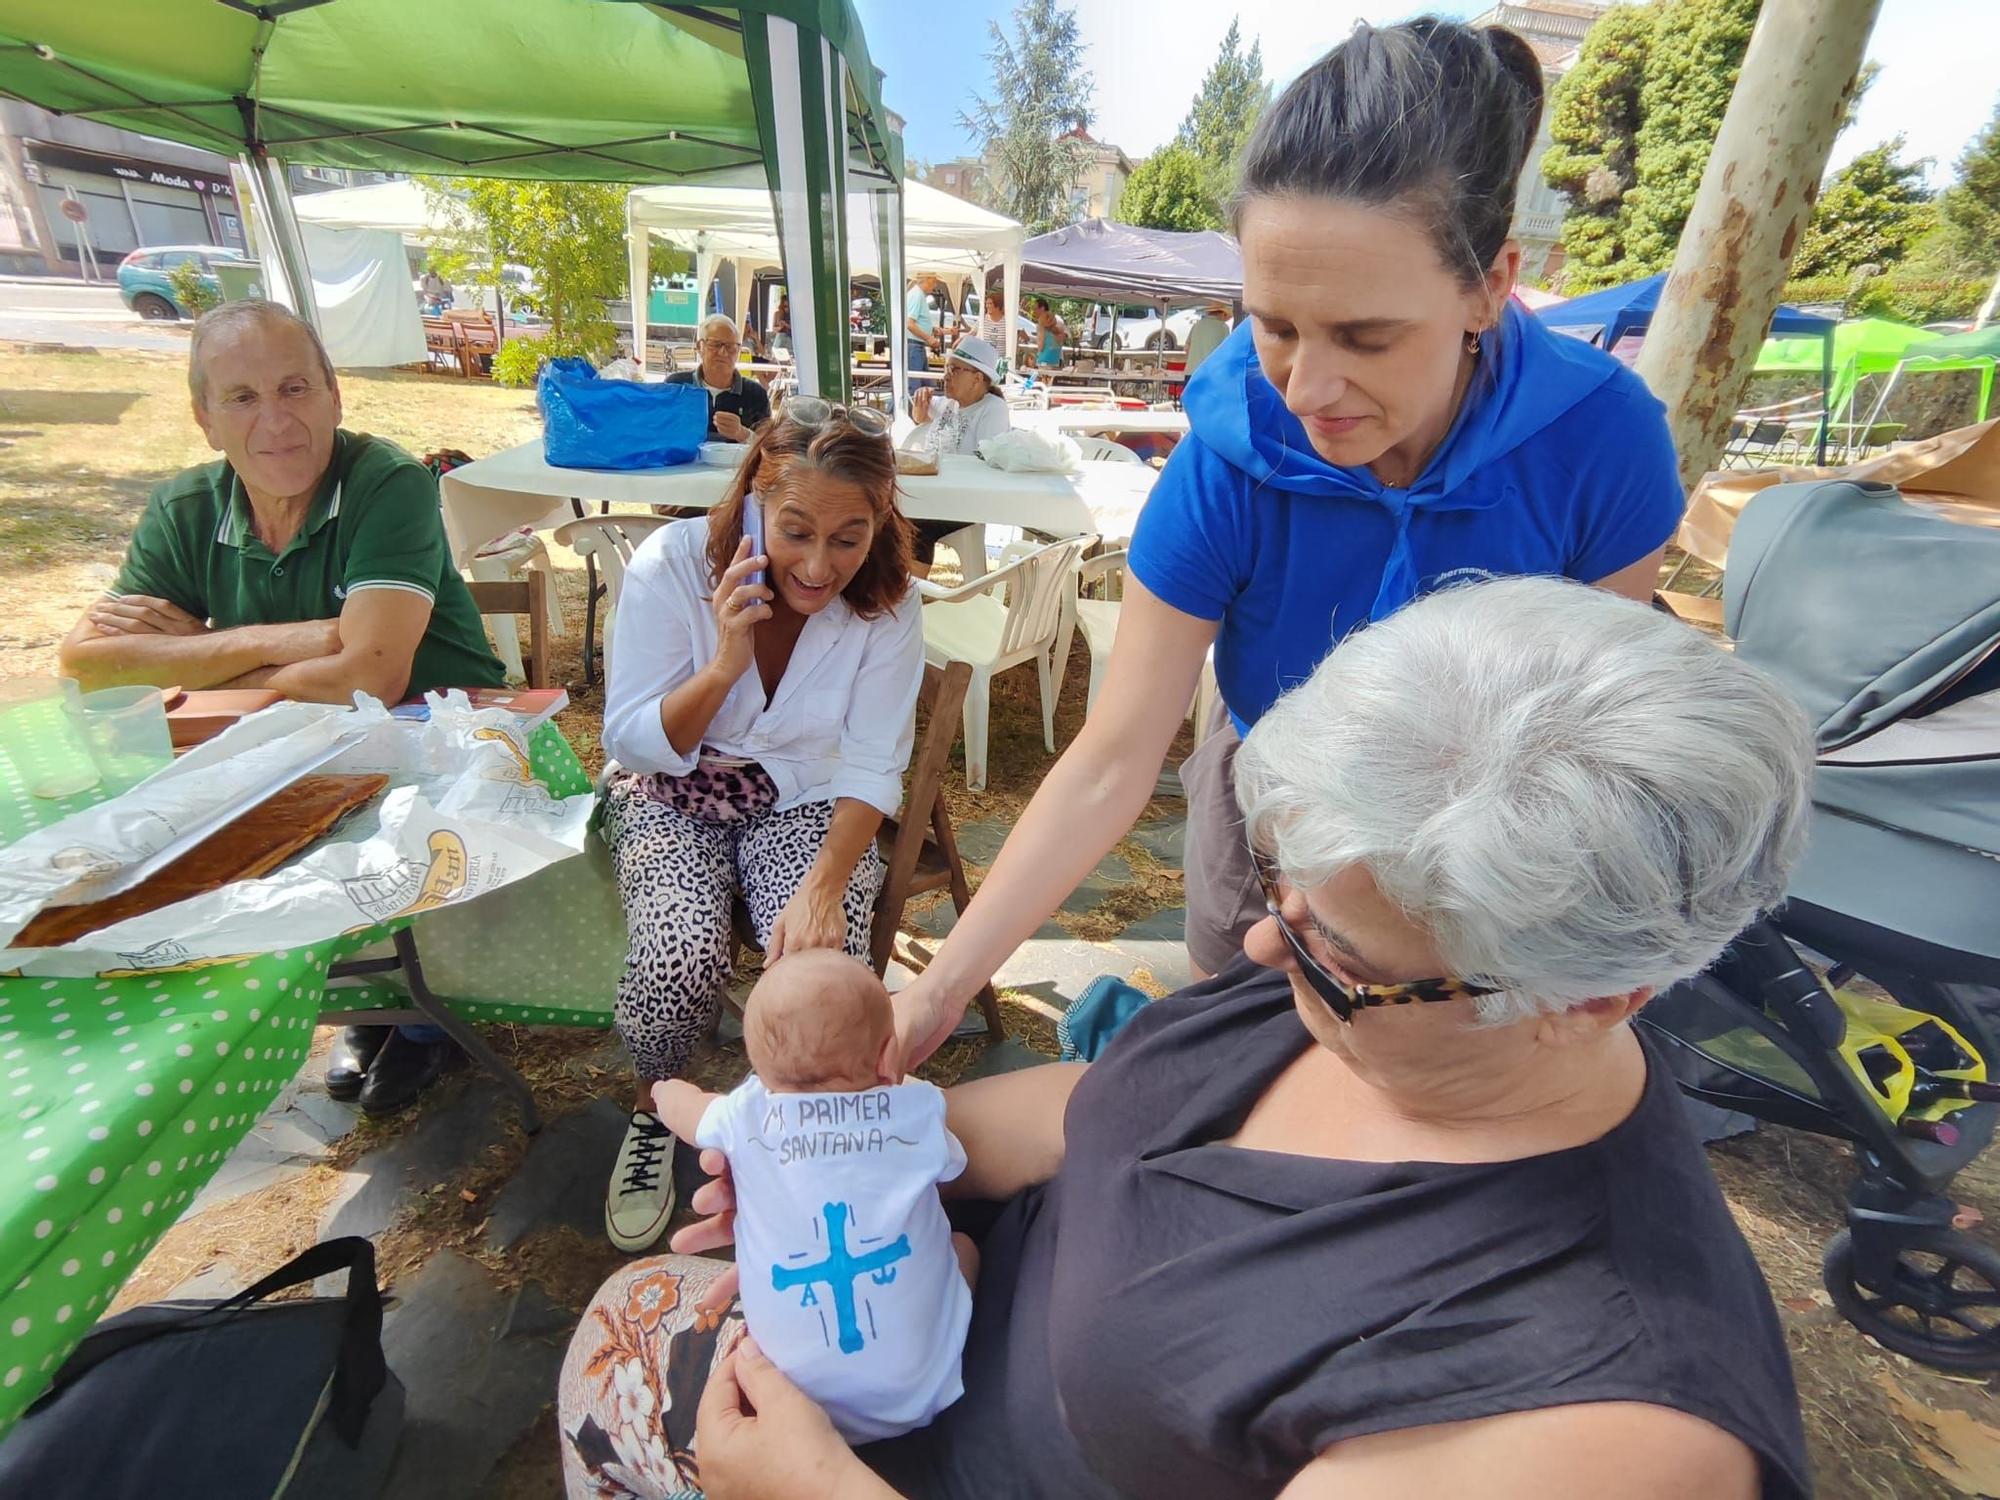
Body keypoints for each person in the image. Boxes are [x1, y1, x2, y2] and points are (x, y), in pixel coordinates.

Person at [559, 577, 1817, 1500]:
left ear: (1590, 999)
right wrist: (831, 1165)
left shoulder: (1589, 1416)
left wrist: (810, 1489)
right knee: (628, 1303)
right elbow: (1103, 1111)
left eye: (1337, 952)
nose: (1267, 954)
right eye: (1281, 891)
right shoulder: (1360, 1002)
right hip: (906, 1327)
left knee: (604, 1374)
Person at [891, 18, 1688, 1063]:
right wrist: (944, 988)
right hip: (1270, 781)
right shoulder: (1231, 452)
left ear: (1489, 285)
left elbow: (1575, 740)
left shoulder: (1600, 440)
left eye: (1365, 336)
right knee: (1249, 1036)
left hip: (1485, 819)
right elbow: (1114, 754)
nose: (1305, 390)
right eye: (1272, 325)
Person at [57, 299, 509, 1116]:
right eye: (242, 397)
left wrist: (200, 650)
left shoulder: (388, 482)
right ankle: (369, 1005)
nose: (277, 419)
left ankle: (419, 1020)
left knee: (405, 824)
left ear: (335, 395)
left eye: (296, 387)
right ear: (205, 419)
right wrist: (291, 640)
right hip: (282, 738)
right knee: (192, 825)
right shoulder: (184, 509)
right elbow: (87, 665)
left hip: (433, 726)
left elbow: (371, 671)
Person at [595, 399, 923, 1254]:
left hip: (797, 798)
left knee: (821, 964)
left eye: (848, 537)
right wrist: (723, 664)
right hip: (670, 789)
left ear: (879, 520)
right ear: (752, 503)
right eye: (796, 530)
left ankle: (796, 1132)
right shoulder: (672, 565)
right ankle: (655, 1101)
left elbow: (871, 763)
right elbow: (630, 735)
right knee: (678, 954)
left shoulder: (888, 604)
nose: (819, 566)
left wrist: (823, 888)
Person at [648, 949, 975, 1444]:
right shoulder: (918, 1108)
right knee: (964, 1246)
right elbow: (953, 1165)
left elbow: (690, 1112)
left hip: (792, 1404)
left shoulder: (743, 1117)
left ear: (756, 1064)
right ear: (889, 1050)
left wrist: (663, 1092)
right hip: (925, 1389)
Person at [901, 336, 1013, 580]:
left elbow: (988, 463)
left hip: (969, 501)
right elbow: (922, 417)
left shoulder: (992, 409)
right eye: (946, 368)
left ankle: (906, 597)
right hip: (938, 494)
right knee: (892, 511)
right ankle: (892, 589)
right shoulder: (949, 404)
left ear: (978, 378)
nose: (946, 375)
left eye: (955, 369)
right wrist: (919, 412)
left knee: (916, 523)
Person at [667, 314, 771, 442]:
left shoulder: (755, 394)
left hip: (736, 462)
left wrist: (743, 434)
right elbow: (657, 432)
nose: (723, 352)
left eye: (730, 346)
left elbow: (769, 448)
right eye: (715, 344)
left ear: (738, 351)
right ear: (700, 347)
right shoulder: (675, 386)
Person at [904, 273, 943, 374]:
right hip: (914, 346)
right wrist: (929, 338)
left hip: (917, 345)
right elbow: (910, 324)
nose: (935, 285)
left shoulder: (919, 294)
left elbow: (916, 321)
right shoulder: (917, 295)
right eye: (934, 281)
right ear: (926, 280)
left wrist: (931, 329)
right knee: (916, 383)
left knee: (925, 383)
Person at [1183, 300, 1232, 376]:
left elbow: (1186, 348)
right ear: (1222, 313)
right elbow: (1226, 351)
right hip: (1211, 372)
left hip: (1192, 371)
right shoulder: (1223, 327)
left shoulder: (1197, 325)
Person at [1030, 297, 1066, 368]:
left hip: (1044, 361)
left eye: (1035, 308)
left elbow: (1041, 346)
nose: (1034, 311)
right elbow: (1063, 338)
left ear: (1042, 308)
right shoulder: (1058, 321)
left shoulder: (1041, 325)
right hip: (1056, 360)